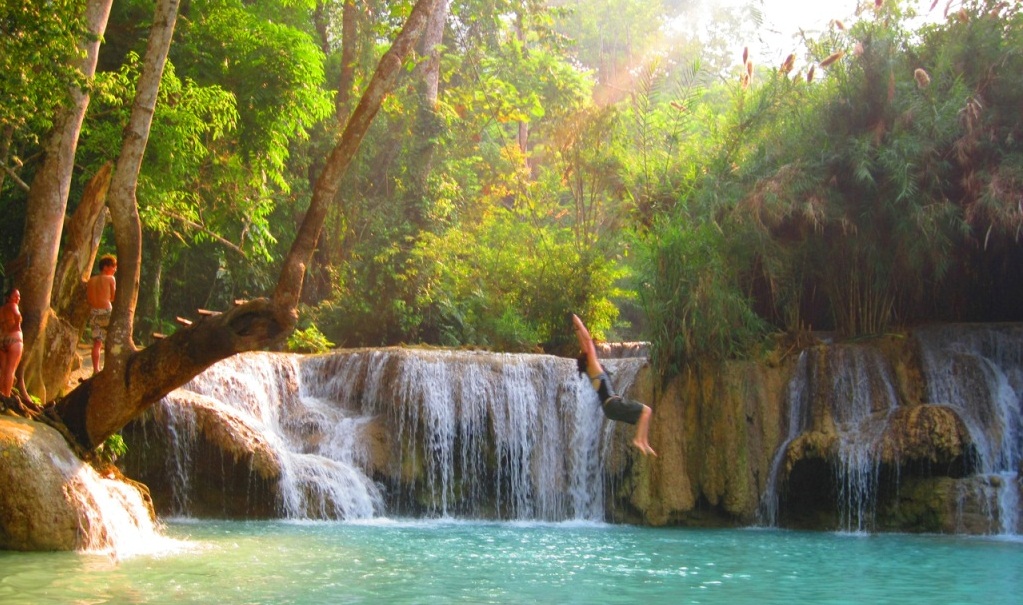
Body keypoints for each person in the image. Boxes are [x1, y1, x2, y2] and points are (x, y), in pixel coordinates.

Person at [572, 314, 656, 456]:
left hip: (609, 410)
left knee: (643, 415)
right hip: (613, 404)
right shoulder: (593, 365)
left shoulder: (590, 371)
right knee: (646, 411)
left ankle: (643, 441)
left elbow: (583, 344)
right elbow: (587, 341)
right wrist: (579, 323)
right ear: (588, 358)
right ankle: (640, 440)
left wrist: (576, 329)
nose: (593, 354)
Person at [86, 254, 116, 374]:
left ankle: (96, 369)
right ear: (105, 267)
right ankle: (108, 368)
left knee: (97, 343)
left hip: (94, 312)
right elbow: (113, 297)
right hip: (106, 311)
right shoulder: (110, 279)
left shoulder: (91, 280)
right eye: (113, 267)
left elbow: (89, 299)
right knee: (111, 340)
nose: (115, 269)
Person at [0, 288, 24, 398]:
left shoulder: (1, 310)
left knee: (4, 371)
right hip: (14, 340)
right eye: (15, 296)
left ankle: (1, 394)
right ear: (9, 297)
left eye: (19, 296)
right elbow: (17, 315)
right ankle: (7, 396)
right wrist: (16, 326)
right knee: (10, 370)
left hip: (3, 340)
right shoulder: (13, 306)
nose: (17, 298)